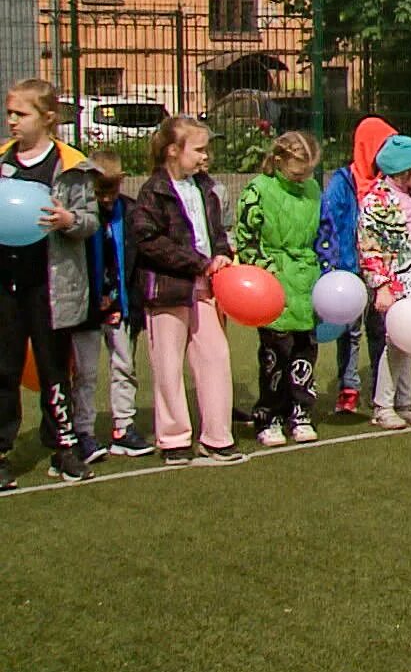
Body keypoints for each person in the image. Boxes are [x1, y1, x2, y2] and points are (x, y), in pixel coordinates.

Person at [0, 79, 100, 486]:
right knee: (4, 368)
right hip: (6, 284)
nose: (11, 121)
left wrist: (68, 221)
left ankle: (63, 446)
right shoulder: (2, 162)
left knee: (54, 368)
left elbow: (90, 219)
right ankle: (2, 452)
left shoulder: (70, 166)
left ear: (47, 118)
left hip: (52, 286)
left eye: (20, 114)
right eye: (9, 113)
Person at [132, 115, 241, 467]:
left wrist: (222, 254)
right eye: (199, 149)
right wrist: (198, 262)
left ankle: (217, 436)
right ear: (173, 151)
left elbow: (217, 232)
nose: (205, 156)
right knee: (167, 363)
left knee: (215, 356)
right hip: (168, 288)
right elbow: (148, 240)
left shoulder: (206, 188)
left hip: (207, 286)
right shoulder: (154, 190)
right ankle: (174, 438)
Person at [231, 131, 325, 447]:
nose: (304, 177)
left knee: (305, 352)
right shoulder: (258, 190)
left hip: (306, 278)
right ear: (280, 160)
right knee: (275, 354)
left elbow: (320, 232)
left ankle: (300, 412)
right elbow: (246, 237)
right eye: (299, 170)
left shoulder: (313, 189)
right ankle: (268, 415)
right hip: (272, 284)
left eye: (309, 171)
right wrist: (266, 273)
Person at [358, 133, 411, 431]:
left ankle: (406, 403)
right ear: (403, 170)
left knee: (407, 342)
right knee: (393, 343)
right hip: (394, 283)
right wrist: (381, 285)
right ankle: (383, 405)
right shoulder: (376, 201)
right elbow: (370, 247)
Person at [71, 147, 150, 458]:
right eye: (99, 190)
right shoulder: (80, 217)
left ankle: (123, 426)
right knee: (85, 373)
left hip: (122, 306)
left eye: (112, 189)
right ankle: (83, 431)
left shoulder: (129, 212)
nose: (105, 198)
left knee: (125, 366)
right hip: (86, 309)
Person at [316, 115, 396, 414]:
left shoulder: (386, 185)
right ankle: (348, 387)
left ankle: (380, 388)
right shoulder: (342, 183)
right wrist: (334, 266)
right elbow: (330, 224)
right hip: (348, 270)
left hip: (379, 271)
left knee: (380, 329)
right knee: (349, 331)